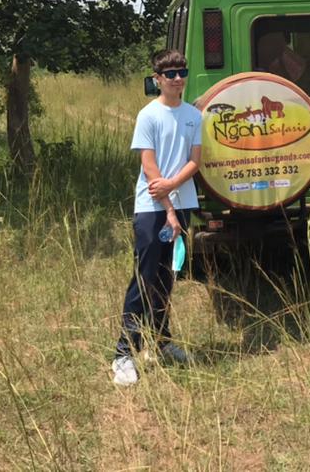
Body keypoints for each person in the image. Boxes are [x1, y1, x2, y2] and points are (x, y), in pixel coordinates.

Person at [112, 49, 202, 386]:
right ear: (157, 79)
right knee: (144, 277)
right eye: (171, 74)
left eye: (182, 72)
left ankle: (162, 342)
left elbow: (196, 161)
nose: (178, 79)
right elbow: (150, 170)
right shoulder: (148, 116)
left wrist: (176, 188)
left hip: (182, 204)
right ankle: (124, 353)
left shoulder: (194, 116)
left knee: (167, 278)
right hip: (152, 208)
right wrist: (168, 210)